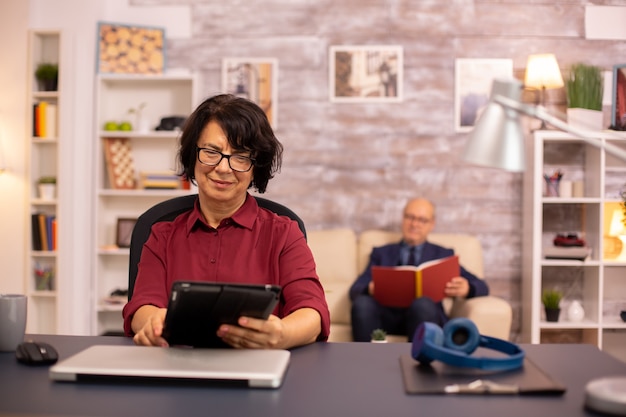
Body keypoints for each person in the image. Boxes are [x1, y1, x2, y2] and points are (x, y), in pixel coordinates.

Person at [123, 94, 330, 349]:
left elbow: (313, 312)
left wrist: (281, 334)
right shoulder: (161, 233)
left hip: (258, 368)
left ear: (256, 166)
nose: (223, 168)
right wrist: (153, 323)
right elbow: (141, 306)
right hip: (175, 370)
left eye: (240, 156)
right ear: (193, 155)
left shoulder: (284, 233)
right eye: (211, 152)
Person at [349, 198, 488, 342]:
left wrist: (467, 288)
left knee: (422, 304)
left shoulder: (443, 255)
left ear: (432, 224)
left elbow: (482, 286)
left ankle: (420, 360)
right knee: (362, 304)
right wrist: (370, 288)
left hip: (423, 316)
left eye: (422, 220)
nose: (414, 224)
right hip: (386, 318)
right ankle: (365, 360)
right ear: (403, 219)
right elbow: (355, 289)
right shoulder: (381, 253)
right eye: (410, 217)